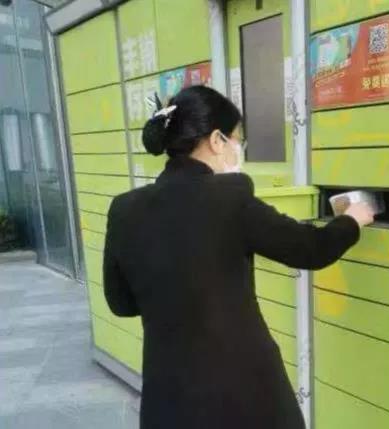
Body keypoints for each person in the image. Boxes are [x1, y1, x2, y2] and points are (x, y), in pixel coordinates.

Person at [103, 85, 374, 429]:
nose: (237, 150)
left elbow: (121, 304)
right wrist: (352, 219)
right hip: (243, 393)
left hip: (169, 398)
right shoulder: (230, 198)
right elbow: (310, 248)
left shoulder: (124, 208)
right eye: (237, 140)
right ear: (217, 140)